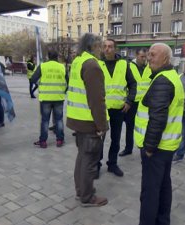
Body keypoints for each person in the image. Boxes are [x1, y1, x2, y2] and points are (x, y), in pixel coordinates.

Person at [134, 43, 184, 225]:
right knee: (163, 187)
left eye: (154, 55)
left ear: (166, 59)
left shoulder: (163, 80)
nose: (149, 57)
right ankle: (162, 221)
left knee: (150, 192)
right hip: (166, 146)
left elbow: (158, 118)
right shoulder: (170, 76)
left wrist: (149, 147)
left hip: (156, 148)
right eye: (149, 54)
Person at [67, 33, 109, 207]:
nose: (103, 50)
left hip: (78, 119)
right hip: (89, 122)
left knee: (82, 158)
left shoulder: (78, 61)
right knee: (89, 161)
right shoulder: (92, 65)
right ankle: (87, 196)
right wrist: (101, 125)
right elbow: (96, 100)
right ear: (93, 46)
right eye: (101, 46)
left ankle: (80, 191)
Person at [98, 39, 137, 177]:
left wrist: (129, 101)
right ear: (102, 49)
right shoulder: (98, 64)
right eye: (105, 46)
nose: (107, 49)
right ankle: (97, 165)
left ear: (115, 49)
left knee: (115, 138)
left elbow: (133, 84)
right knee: (99, 138)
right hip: (102, 110)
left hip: (118, 109)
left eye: (110, 47)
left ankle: (112, 164)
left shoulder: (124, 65)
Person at [30, 50, 66, 148]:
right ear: (57, 56)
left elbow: (33, 79)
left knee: (45, 120)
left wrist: (40, 84)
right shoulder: (62, 67)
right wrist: (63, 90)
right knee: (59, 119)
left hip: (45, 98)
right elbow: (68, 81)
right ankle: (59, 140)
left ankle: (43, 142)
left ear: (48, 56)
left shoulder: (43, 66)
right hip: (59, 97)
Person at [119, 48, 151, 157]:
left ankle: (145, 148)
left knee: (146, 126)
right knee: (130, 126)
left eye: (146, 56)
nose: (144, 59)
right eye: (142, 56)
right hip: (133, 102)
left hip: (146, 103)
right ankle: (128, 148)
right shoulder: (129, 66)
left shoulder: (149, 67)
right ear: (136, 55)